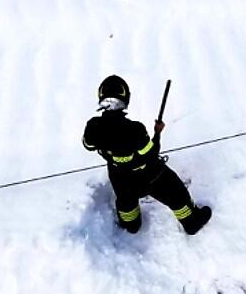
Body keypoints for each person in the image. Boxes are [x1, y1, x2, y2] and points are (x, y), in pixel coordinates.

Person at [83, 75, 212, 235]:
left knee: (126, 202)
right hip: (149, 177)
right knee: (176, 192)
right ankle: (191, 221)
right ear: (125, 98)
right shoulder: (135, 129)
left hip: (121, 180)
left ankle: (131, 224)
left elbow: (88, 145)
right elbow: (150, 153)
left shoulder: (93, 127)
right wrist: (157, 133)